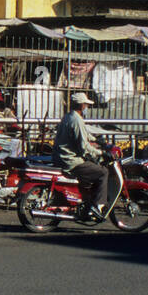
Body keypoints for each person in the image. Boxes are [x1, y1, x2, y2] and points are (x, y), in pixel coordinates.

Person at [52, 92, 107, 220]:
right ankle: (96, 207)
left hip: (62, 157)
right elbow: (83, 146)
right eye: (86, 104)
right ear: (82, 105)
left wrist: (96, 140)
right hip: (71, 161)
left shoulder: (68, 117)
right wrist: (101, 152)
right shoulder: (77, 120)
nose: (87, 107)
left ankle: (86, 200)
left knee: (92, 169)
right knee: (103, 172)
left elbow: (84, 135)